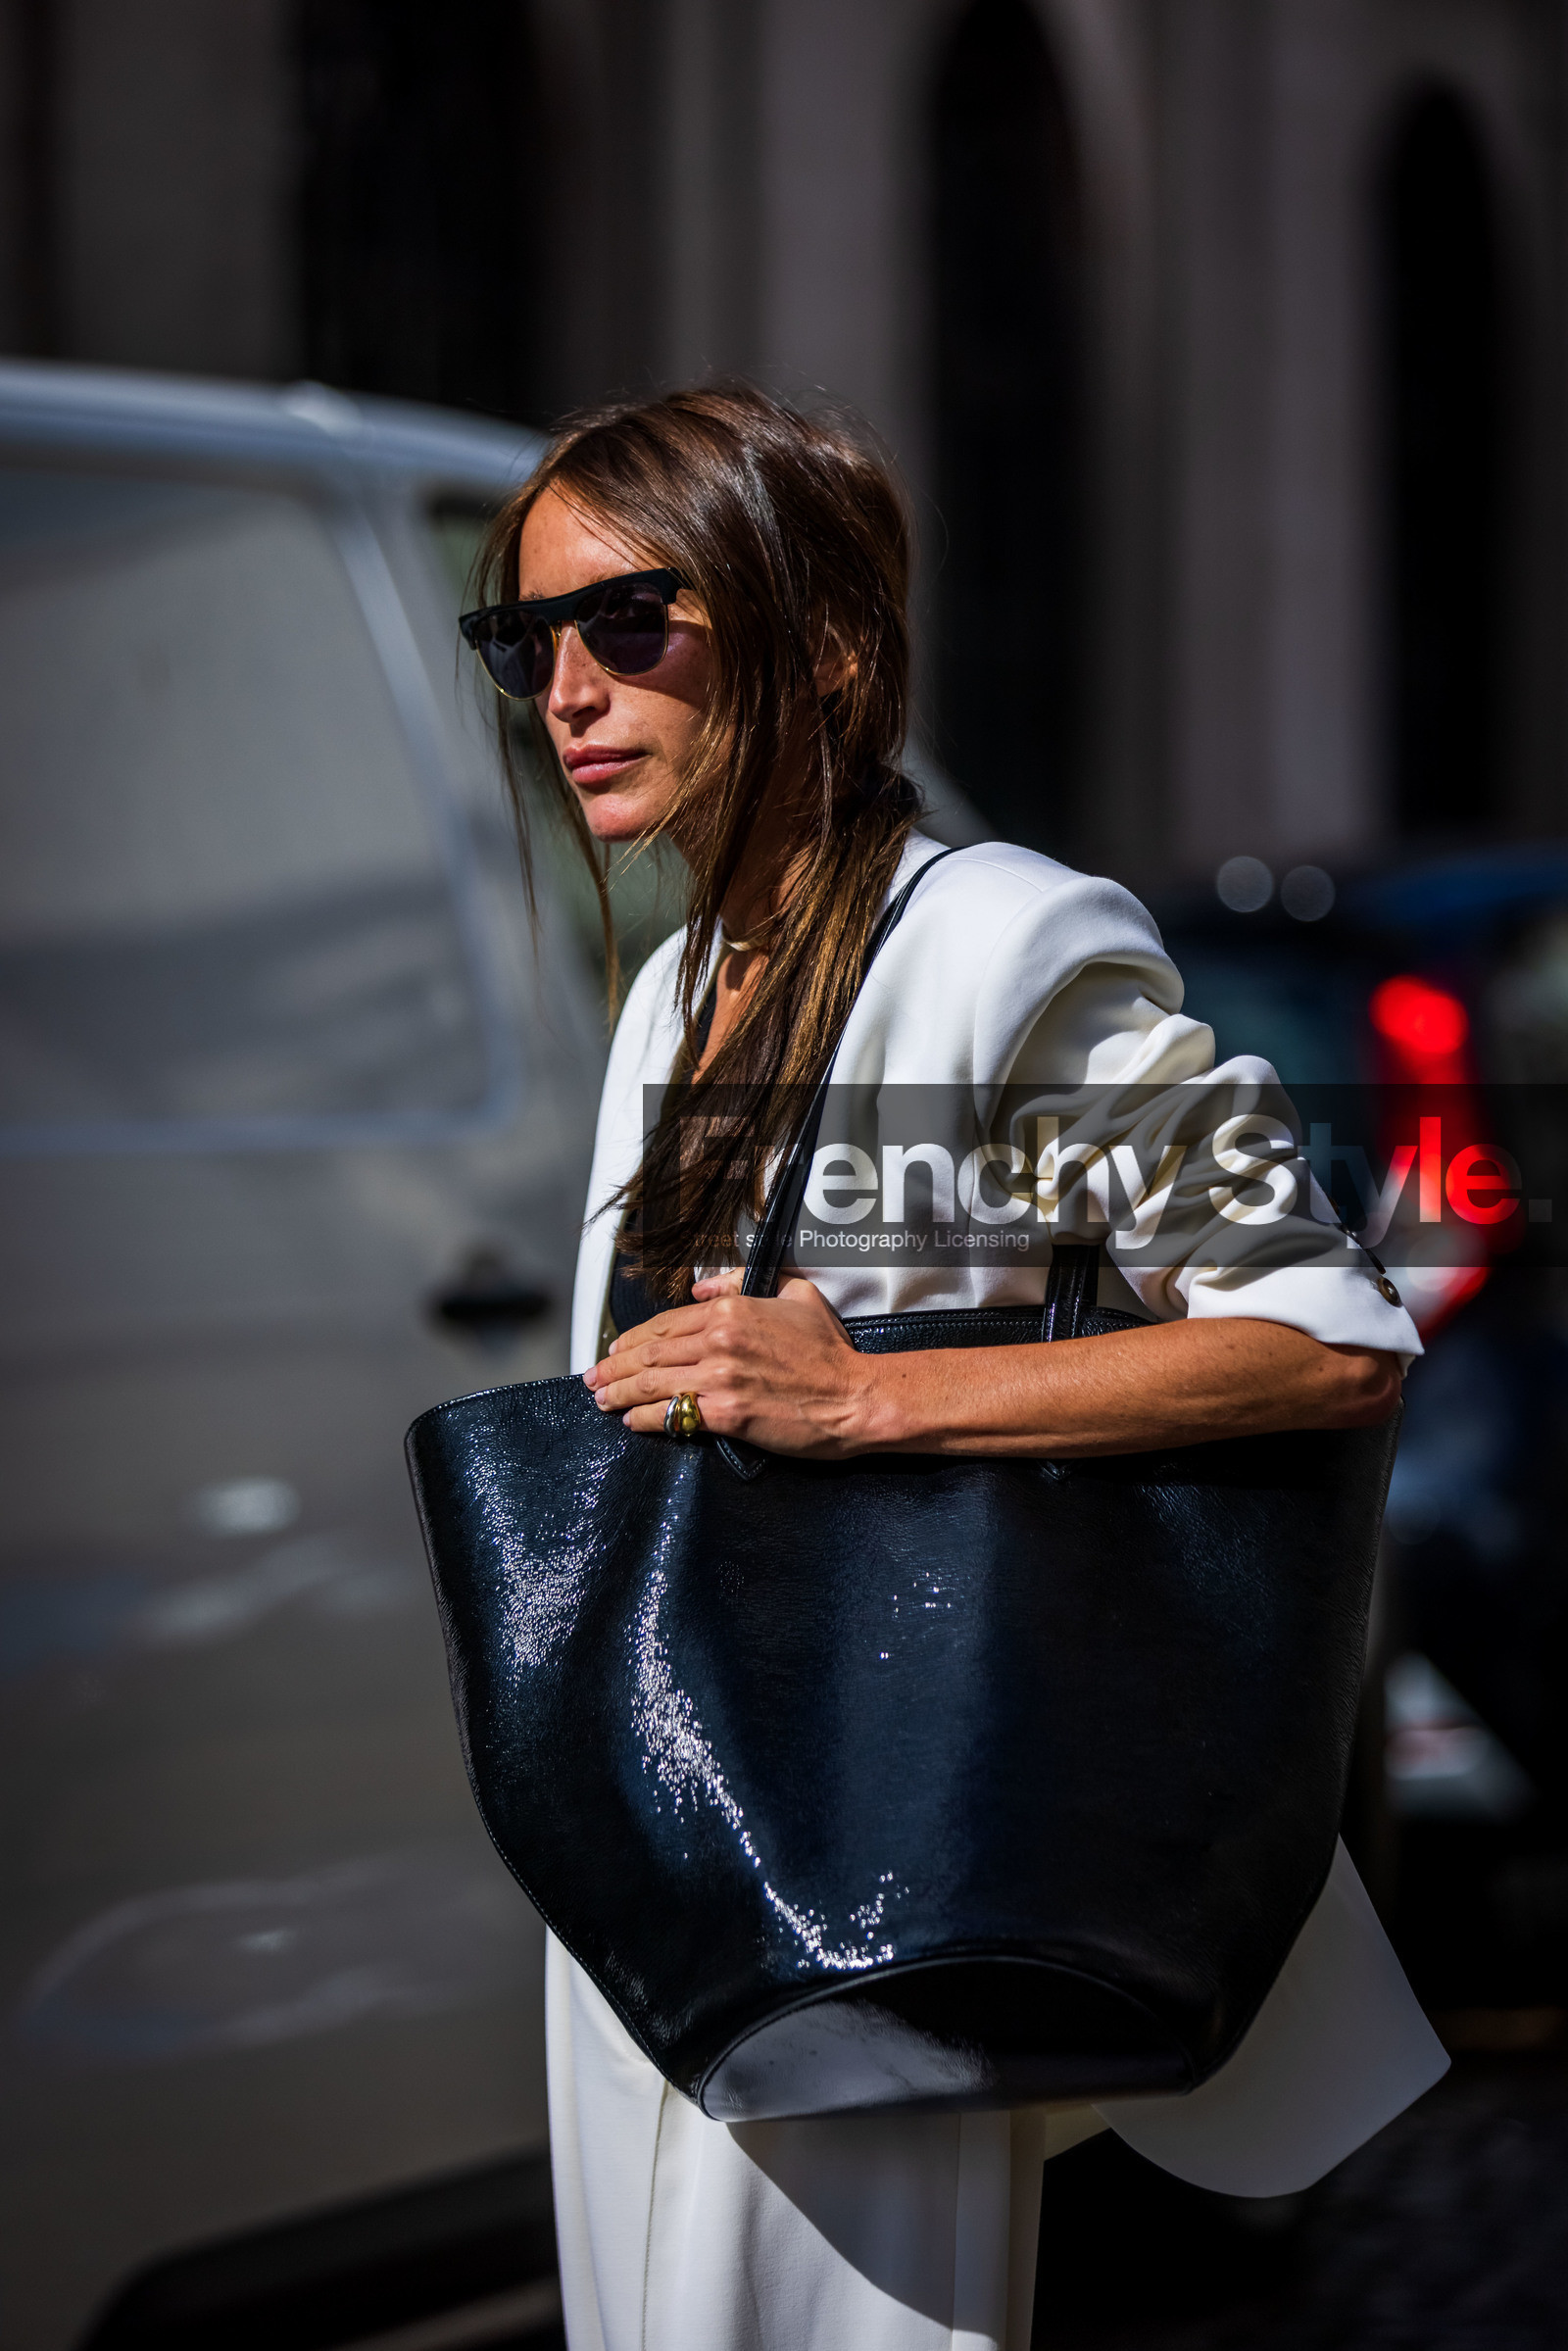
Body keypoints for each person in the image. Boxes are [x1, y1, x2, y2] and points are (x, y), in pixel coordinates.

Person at [463, 384, 1446, 2351]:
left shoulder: (1000, 935)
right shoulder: (677, 978)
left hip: (875, 1841)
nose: (564, 687)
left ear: (821, 644)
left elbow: (1326, 1335)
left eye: (627, 622)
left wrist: (872, 1398)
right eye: (526, 637)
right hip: (654, 1864)